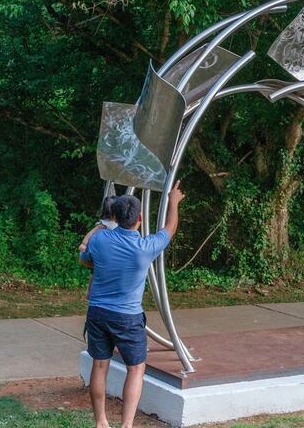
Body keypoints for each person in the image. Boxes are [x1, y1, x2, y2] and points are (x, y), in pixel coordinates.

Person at [79, 181, 184, 428]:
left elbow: (85, 257)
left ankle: (101, 422)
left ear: (113, 215)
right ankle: (126, 425)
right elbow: (170, 228)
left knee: (99, 364)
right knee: (135, 370)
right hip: (128, 318)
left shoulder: (100, 239)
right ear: (139, 218)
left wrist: (100, 226)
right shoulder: (145, 247)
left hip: (98, 313)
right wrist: (173, 202)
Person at [78, 196, 117, 300]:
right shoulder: (104, 224)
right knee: (94, 273)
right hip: (103, 254)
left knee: (95, 273)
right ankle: (89, 292)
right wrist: (84, 243)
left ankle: (90, 292)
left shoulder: (118, 225)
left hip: (108, 255)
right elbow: (91, 233)